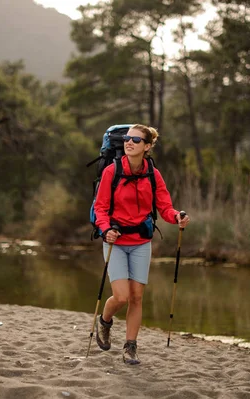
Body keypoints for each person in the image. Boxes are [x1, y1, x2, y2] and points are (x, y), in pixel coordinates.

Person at [93, 124, 190, 365]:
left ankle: (130, 347)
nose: (129, 142)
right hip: (115, 240)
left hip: (141, 241)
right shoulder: (112, 171)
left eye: (136, 140)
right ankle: (105, 321)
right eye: (127, 138)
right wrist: (105, 230)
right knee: (122, 297)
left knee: (137, 297)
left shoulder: (152, 174)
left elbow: (164, 207)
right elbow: (100, 207)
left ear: (147, 146)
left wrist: (177, 216)